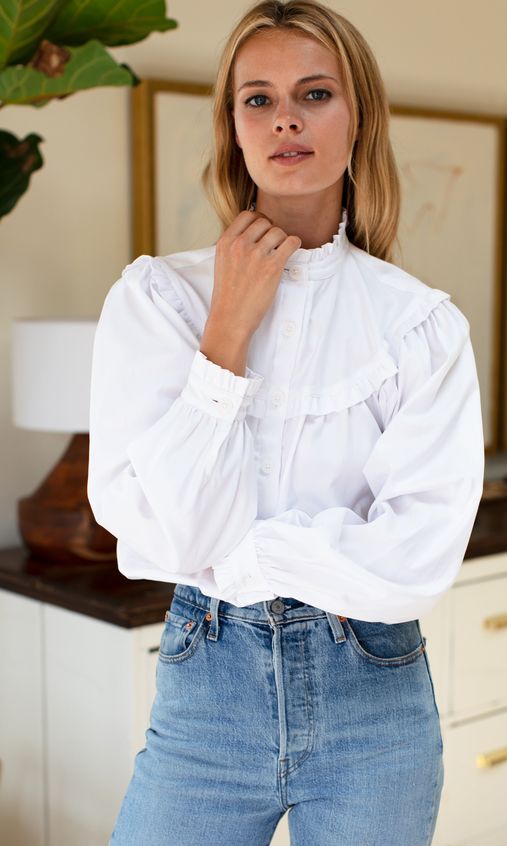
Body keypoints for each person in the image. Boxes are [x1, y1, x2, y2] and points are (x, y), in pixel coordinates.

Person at [87, 1, 485, 843]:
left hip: (374, 696)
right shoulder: (161, 301)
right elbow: (135, 516)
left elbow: (418, 556)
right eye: (257, 99)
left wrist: (239, 550)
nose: (286, 118)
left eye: (315, 93)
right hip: (208, 689)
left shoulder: (420, 327)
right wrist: (227, 330)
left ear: (358, 116)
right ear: (232, 127)